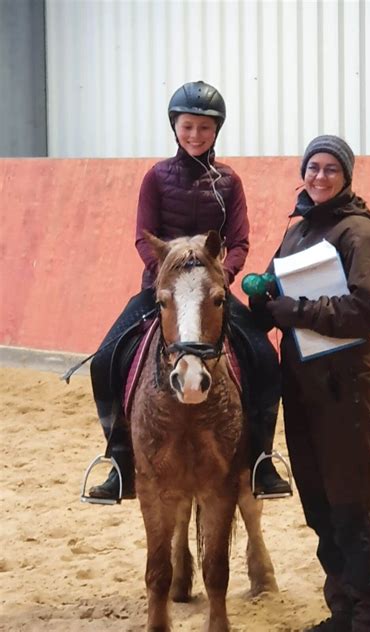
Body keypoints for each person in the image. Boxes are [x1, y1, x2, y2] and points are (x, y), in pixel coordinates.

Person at [86, 80, 291, 502]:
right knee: (105, 358)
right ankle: (119, 458)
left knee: (265, 360)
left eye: (204, 128)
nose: (195, 135)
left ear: (216, 131)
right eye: (187, 127)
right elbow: (144, 238)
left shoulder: (230, 181)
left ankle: (261, 459)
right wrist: (167, 275)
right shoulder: (156, 178)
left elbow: (239, 242)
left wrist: (221, 276)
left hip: (210, 292)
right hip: (162, 291)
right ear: (174, 128)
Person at [250, 135, 370, 631]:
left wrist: (292, 311)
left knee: (351, 497)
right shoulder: (299, 231)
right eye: (312, 167)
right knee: (319, 500)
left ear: (346, 175)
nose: (319, 176)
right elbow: (279, 288)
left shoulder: (359, 233)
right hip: (302, 382)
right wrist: (263, 297)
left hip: (344, 384)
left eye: (330, 169)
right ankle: (346, 606)